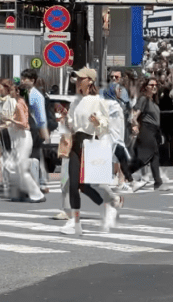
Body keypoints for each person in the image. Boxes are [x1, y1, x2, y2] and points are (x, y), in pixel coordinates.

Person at [61, 69, 119, 235]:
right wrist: (66, 118)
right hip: (75, 143)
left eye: (81, 78)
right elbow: (71, 125)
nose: (78, 80)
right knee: (73, 184)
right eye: (77, 78)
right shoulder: (76, 101)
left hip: (89, 142)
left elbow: (106, 124)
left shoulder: (97, 101)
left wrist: (97, 121)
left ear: (90, 81)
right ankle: (75, 222)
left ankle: (107, 208)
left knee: (85, 186)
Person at [1, 79, 44, 203]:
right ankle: (22, 193)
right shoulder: (20, 102)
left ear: (18, 91)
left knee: (21, 167)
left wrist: (10, 120)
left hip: (24, 138)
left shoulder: (19, 104)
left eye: (12, 90)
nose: (10, 92)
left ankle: (36, 194)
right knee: (16, 166)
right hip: (20, 138)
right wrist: (4, 125)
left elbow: (24, 124)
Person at [124, 76, 165, 192]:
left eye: (155, 85)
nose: (154, 87)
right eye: (151, 85)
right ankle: (127, 172)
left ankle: (157, 182)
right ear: (145, 87)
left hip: (154, 131)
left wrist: (160, 134)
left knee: (152, 156)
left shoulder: (154, 102)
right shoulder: (143, 100)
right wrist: (135, 125)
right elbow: (134, 115)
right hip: (146, 130)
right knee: (149, 155)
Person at [21, 69, 49, 192]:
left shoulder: (36, 95)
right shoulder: (23, 93)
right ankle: (39, 181)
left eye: (25, 79)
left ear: (32, 81)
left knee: (36, 154)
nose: (22, 81)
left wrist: (43, 130)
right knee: (32, 155)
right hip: (25, 128)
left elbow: (40, 115)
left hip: (35, 129)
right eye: (22, 78)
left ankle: (40, 182)